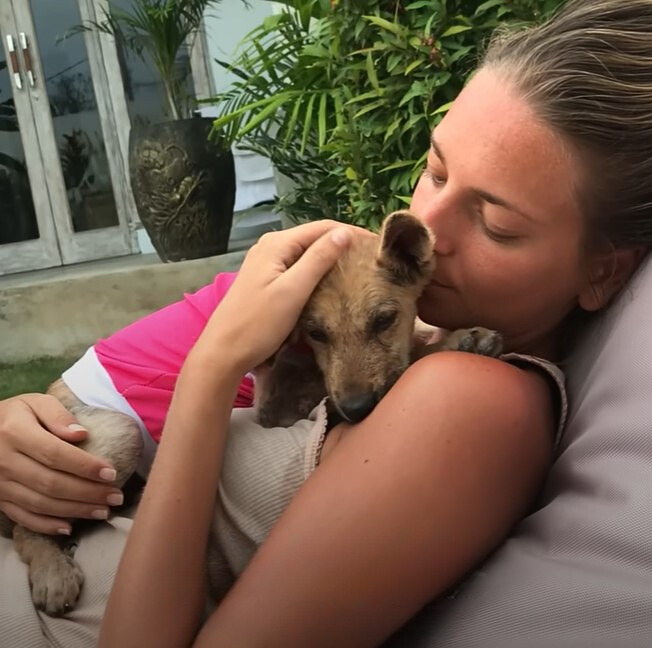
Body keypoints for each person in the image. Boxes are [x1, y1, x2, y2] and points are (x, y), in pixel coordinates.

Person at [1, 0, 651, 645]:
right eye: (435, 170)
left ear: (604, 272)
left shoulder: (479, 404)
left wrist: (212, 365)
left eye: (497, 224)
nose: (429, 228)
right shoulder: (406, 334)